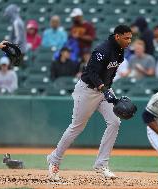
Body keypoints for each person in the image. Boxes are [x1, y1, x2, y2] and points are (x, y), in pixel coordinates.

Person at [46, 25, 132, 180]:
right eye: (126, 37)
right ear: (117, 36)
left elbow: (111, 73)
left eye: (130, 38)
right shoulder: (102, 50)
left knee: (114, 122)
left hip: (103, 90)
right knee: (77, 127)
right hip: (87, 90)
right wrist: (103, 88)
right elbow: (91, 72)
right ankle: (54, 160)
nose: (129, 41)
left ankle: (101, 164)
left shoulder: (120, 51)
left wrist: (108, 90)